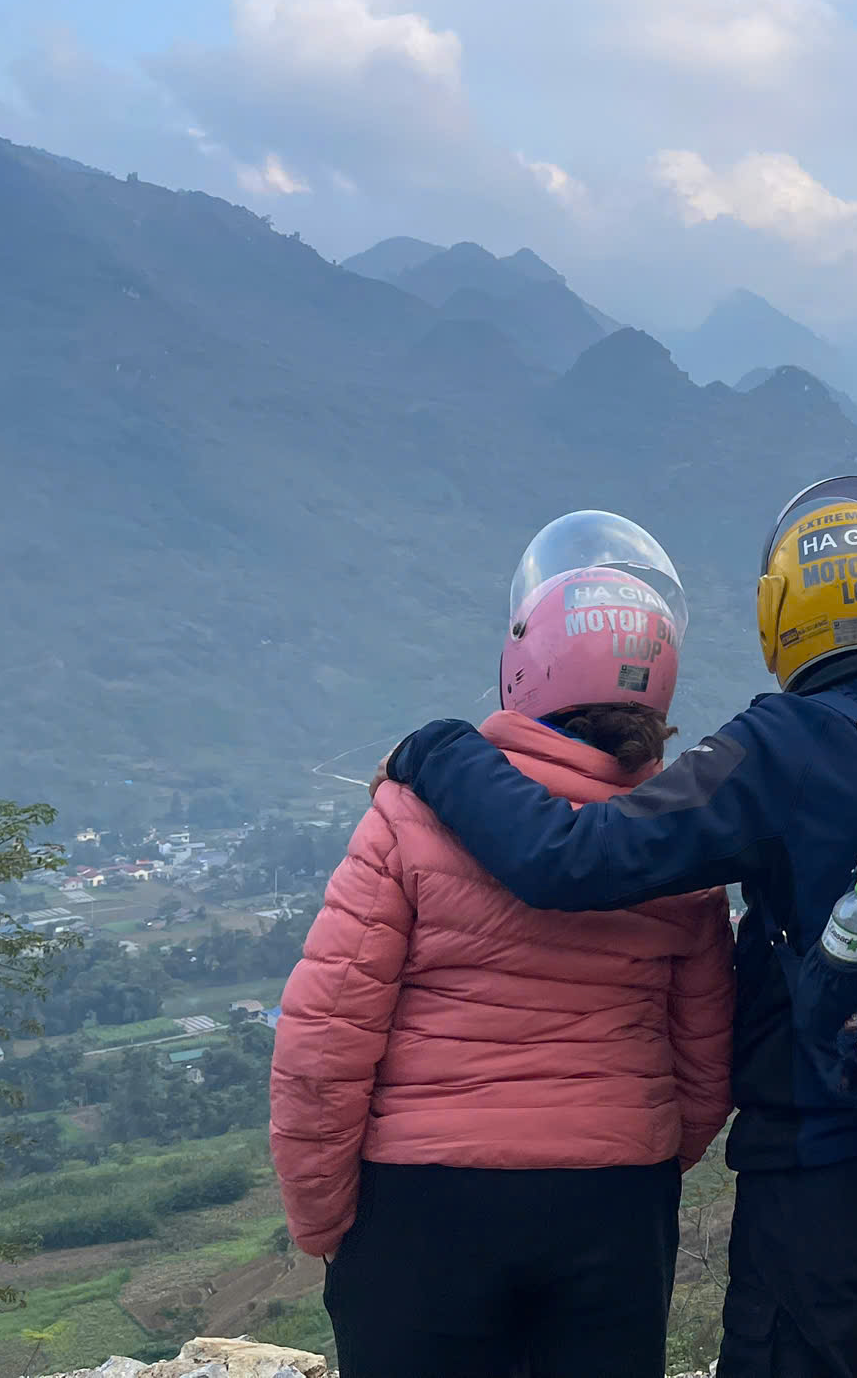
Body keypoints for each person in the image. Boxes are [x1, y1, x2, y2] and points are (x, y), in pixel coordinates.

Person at [383, 476, 857, 1378]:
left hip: (818, 1179)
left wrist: (444, 752)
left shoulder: (778, 747)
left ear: (782, 615)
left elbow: (572, 859)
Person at [272, 511, 736, 1378]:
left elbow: (324, 1042)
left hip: (422, 1204)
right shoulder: (679, 846)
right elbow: (707, 1066)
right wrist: (632, 1158)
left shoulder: (408, 817)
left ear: (526, 664)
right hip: (613, 1206)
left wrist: (324, 1218)